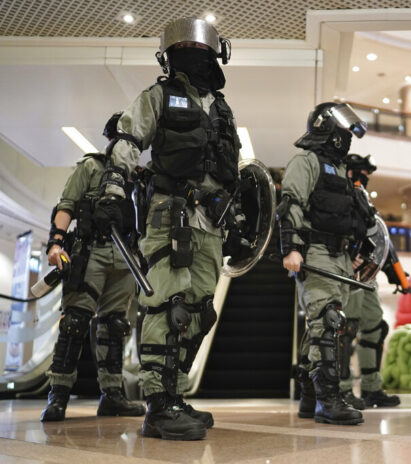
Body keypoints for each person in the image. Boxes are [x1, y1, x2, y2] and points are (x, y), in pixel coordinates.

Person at [95, 17, 242, 440]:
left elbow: (232, 171)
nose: (195, 57)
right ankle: (157, 406)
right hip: (170, 215)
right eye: (186, 51)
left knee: (199, 312)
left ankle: (174, 396)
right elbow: (127, 140)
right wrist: (112, 190)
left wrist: (238, 220)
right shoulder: (157, 96)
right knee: (167, 305)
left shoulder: (222, 108)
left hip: (211, 223)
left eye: (202, 51)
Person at [41, 112, 145, 422]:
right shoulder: (91, 166)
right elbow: (67, 205)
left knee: (115, 327)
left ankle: (112, 395)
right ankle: (58, 396)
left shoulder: (139, 177)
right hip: (91, 252)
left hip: (125, 258)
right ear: (113, 139)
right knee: (74, 323)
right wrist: (55, 243)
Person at [278, 102, 372, 425]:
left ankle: (309, 397)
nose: (346, 137)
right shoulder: (306, 161)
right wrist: (291, 247)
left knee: (323, 325)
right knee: (327, 322)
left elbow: (348, 216)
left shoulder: (339, 168)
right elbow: (291, 202)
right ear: (324, 127)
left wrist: (355, 251)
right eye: (343, 130)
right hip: (315, 252)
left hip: (340, 258)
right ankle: (327, 400)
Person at [338, 154, 400, 410]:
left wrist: (393, 271)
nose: (366, 177)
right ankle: (340, 391)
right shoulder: (340, 194)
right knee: (345, 329)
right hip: (348, 272)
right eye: (362, 172)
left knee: (375, 327)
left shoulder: (361, 196)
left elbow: (376, 235)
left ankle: (372, 387)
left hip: (367, 275)